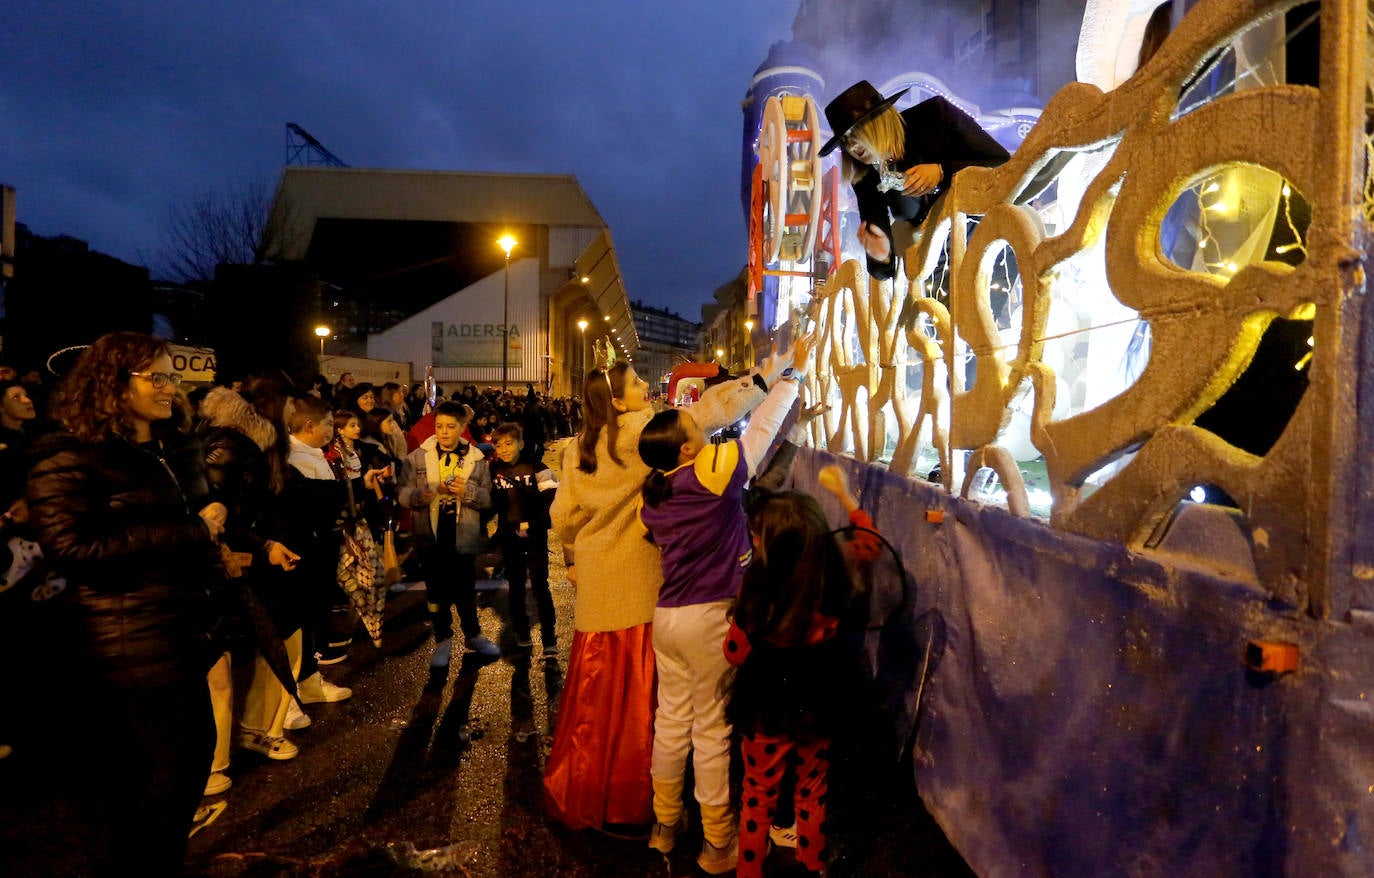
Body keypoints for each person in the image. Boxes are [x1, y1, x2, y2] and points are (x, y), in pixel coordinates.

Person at [544, 345, 796, 832]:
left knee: (598, 692)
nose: (647, 390)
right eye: (638, 385)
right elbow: (708, 413)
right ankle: (662, 805)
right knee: (665, 702)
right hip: (644, 575)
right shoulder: (645, 432)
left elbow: (561, 519)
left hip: (597, 580)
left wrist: (576, 553)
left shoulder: (578, 449)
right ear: (618, 402)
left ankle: (595, 788)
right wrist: (764, 381)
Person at [26, 332, 227, 875]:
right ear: (113, 384)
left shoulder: (160, 448)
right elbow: (73, 548)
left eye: (173, 377)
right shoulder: (69, 453)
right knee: (151, 789)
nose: (170, 389)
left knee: (181, 774)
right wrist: (192, 532)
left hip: (176, 634)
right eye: (156, 378)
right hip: (126, 648)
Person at [635, 346, 807, 874]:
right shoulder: (710, 472)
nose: (701, 424)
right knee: (711, 731)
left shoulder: (656, 495)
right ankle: (717, 842)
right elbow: (760, 433)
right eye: (693, 424)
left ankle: (665, 826)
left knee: (671, 723)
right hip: (710, 617)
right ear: (687, 447)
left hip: (668, 619)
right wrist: (790, 378)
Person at [723, 465, 882, 878]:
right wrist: (847, 498)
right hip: (821, 697)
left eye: (756, 534)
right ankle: (813, 865)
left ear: (769, 543)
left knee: (758, 794)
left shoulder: (756, 586)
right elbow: (869, 543)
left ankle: (750, 870)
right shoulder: (837, 571)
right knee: (813, 790)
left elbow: (735, 651)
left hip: (766, 702)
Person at [819, 79, 1010, 281]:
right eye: (845, 140)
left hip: (994, 241)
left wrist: (942, 171)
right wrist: (882, 257)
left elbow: (1000, 163)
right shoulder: (864, 177)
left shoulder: (936, 115)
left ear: (878, 120)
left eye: (855, 132)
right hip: (937, 268)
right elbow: (882, 269)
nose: (851, 145)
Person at [399, 400, 498, 664]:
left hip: (462, 532)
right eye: (439, 426)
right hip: (428, 535)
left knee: (465, 588)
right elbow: (403, 494)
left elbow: (488, 499)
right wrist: (423, 494)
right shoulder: (417, 457)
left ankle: (473, 635)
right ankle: (442, 637)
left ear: (462, 427)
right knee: (435, 590)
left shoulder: (476, 459)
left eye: (450, 426)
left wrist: (467, 492)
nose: (443, 432)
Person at [489, 422, 558, 657]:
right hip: (509, 538)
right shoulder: (494, 471)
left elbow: (553, 502)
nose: (504, 449)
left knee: (541, 587)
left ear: (520, 443)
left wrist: (533, 523)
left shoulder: (538, 468)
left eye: (509, 443)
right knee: (515, 587)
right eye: (499, 445)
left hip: (536, 537)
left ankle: (549, 639)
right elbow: (491, 505)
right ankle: (522, 632)